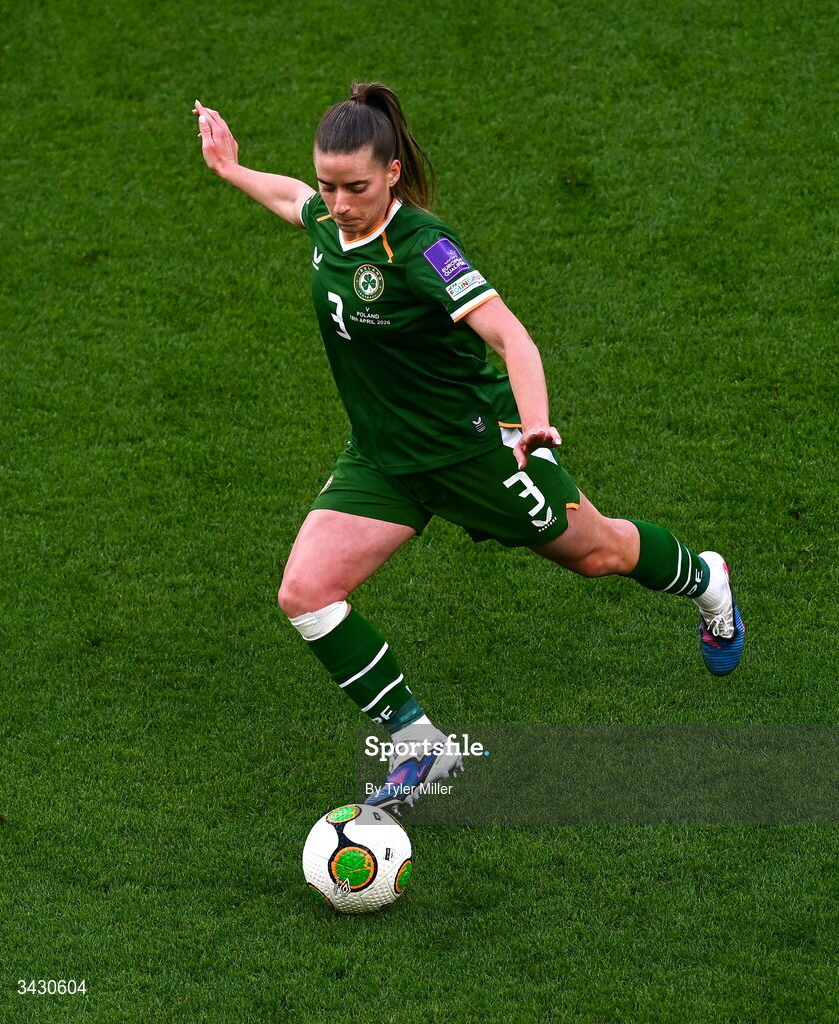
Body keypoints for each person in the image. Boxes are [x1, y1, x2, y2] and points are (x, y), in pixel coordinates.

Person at [192, 83, 745, 813]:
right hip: (384, 460)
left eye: (356, 186)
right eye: (330, 184)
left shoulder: (426, 248)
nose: (339, 201)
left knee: (599, 553)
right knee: (305, 592)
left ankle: (707, 582)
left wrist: (536, 421)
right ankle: (418, 740)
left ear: (391, 173)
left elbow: (510, 336)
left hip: (474, 453)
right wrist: (233, 169)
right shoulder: (329, 220)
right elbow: (290, 198)